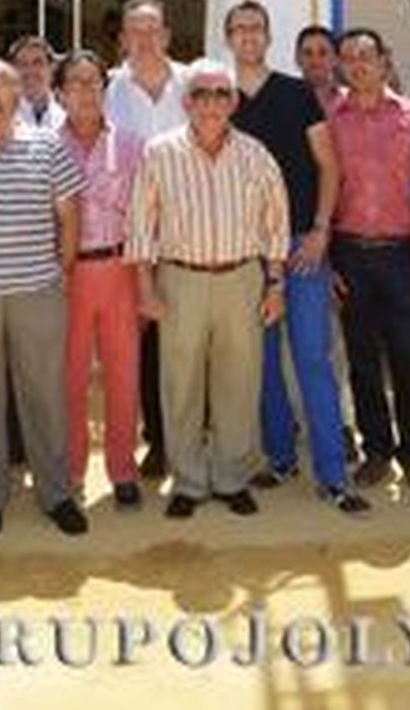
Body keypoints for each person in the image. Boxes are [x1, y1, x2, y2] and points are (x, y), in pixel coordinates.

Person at [126, 59, 290, 519]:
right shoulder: (160, 153)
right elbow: (140, 224)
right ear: (187, 102)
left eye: (221, 94)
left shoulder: (256, 155)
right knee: (180, 383)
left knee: (238, 381)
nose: (211, 103)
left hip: (242, 278)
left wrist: (275, 283)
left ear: (234, 102)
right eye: (201, 94)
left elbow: (276, 223)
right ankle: (189, 480)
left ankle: (231, 477)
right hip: (180, 280)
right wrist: (145, 288)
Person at [223, 2, 366, 514]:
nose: (248, 36)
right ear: (228, 38)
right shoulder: (217, 97)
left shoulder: (297, 94)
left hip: (302, 245)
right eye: (239, 29)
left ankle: (333, 474)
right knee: (262, 363)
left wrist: (322, 231)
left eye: (256, 28)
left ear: (268, 36)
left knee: (311, 358)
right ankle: (280, 457)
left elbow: (330, 166)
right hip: (246, 251)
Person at [0, 59, 89, 537]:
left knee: (45, 395)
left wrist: (62, 271)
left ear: (17, 96)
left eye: (2, 89)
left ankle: (56, 493)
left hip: (38, 291)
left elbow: (70, 214)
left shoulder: (47, 144)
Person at [328, 28, 410, 494]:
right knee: (362, 357)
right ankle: (376, 449)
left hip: (402, 253)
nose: (357, 64)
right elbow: (326, 189)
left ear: (384, 61)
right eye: (348, 57)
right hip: (350, 251)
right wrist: (329, 258)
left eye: (365, 55)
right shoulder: (331, 119)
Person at [104, 0, 189, 479]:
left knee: (191, 341)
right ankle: (158, 439)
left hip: (190, 235)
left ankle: (195, 436)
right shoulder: (107, 89)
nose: (144, 40)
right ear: (122, 39)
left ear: (167, 36)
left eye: (152, 30)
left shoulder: (193, 84)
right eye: (135, 31)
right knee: (148, 346)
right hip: (132, 238)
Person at [57, 51, 145, 508]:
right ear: (59, 93)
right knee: (69, 377)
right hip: (66, 275)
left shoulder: (131, 145)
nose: (86, 91)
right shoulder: (45, 146)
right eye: (75, 83)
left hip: (119, 270)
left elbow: (146, 217)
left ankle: (123, 471)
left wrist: (146, 281)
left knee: (123, 375)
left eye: (94, 82)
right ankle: (71, 471)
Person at [10, 35, 66, 131]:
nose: (30, 70)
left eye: (38, 63)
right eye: (23, 64)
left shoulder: (68, 114)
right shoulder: (3, 116)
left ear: (52, 68)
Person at [295, 25, 344, 116]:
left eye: (323, 53)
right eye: (308, 53)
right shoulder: (284, 100)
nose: (315, 61)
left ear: (335, 59)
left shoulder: (349, 101)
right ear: (298, 58)